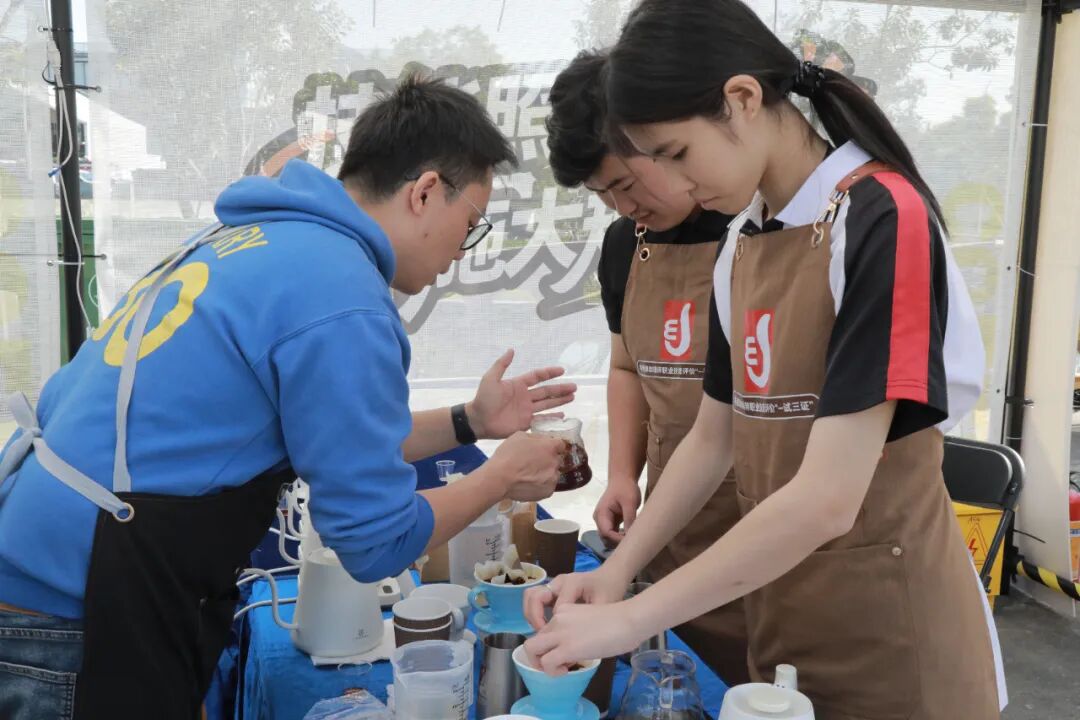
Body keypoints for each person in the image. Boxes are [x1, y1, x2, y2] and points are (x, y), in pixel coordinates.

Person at [0, 75, 573, 720]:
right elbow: (376, 541)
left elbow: (338, 441)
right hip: (75, 603)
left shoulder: (262, 242)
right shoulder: (343, 295)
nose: (459, 254)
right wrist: (499, 478)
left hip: (46, 551)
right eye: (469, 225)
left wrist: (471, 421)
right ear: (425, 192)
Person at [524, 2, 1007, 718]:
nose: (676, 183)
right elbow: (712, 439)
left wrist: (632, 617)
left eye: (676, 154)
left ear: (743, 99)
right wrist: (618, 572)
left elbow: (828, 497)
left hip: (894, 636)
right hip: (784, 621)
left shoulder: (881, 217)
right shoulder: (744, 241)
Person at [545, 50, 748, 684]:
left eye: (626, 184)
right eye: (602, 194)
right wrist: (622, 475)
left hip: (757, 514)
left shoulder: (756, 229)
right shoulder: (623, 245)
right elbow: (628, 367)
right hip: (671, 514)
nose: (620, 206)